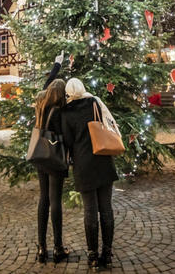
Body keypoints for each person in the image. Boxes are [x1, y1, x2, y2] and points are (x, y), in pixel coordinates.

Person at [61, 77, 119, 270]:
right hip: (103, 160)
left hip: (83, 165)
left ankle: (93, 255)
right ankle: (108, 253)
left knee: (90, 211)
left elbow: (68, 142)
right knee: (107, 209)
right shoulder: (94, 101)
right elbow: (109, 122)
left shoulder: (67, 112)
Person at [32, 53, 69, 264]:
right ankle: (58, 248)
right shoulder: (61, 110)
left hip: (39, 156)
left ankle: (41, 248)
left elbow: (48, 85)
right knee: (55, 201)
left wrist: (57, 64)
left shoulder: (40, 103)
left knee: (43, 199)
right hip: (55, 158)